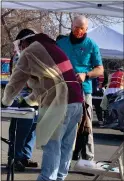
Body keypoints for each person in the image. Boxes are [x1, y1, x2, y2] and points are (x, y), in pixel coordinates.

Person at [1, 29, 83, 181]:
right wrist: (30, 100)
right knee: (66, 146)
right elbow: (47, 84)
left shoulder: (31, 51)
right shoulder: (53, 47)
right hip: (77, 101)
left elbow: (16, 81)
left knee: (52, 144)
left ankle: (47, 178)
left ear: (24, 42)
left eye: (20, 45)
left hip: (60, 102)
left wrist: (5, 101)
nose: (21, 49)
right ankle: (59, 178)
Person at [57, 15, 104, 161]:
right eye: (76, 27)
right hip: (62, 89)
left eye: (82, 28)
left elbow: (100, 69)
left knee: (86, 126)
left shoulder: (92, 45)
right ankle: (60, 157)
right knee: (61, 124)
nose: (79, 31)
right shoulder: (61, 43)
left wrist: (86, 75)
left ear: (86, 29)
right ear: (71, 26)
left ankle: (88, 159)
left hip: (84, 90)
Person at [6, 39, 38, 172]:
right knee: (20, 130)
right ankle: (15, 158)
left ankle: (25, 156)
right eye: (26, 43)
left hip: (36, 98)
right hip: (21, 98)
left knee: (32, 130)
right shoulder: (20, 56)